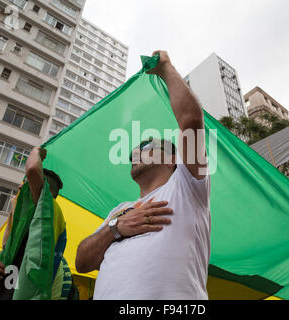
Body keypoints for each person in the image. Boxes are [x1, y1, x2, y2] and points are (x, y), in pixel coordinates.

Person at [75, 50, 211, 299]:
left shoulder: (187, 187)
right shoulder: (120, 210)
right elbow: (82, 262)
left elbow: (191, 120)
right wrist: (115, 228)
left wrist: (166, 67)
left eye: (146, 148)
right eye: (133, 152)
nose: (136, 153)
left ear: (173, 160)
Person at [0, 147, 78, 300]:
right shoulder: (26, 227)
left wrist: (36, 152)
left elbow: (33, 169)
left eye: (26, 184)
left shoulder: (52, 210)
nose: (20, 187)